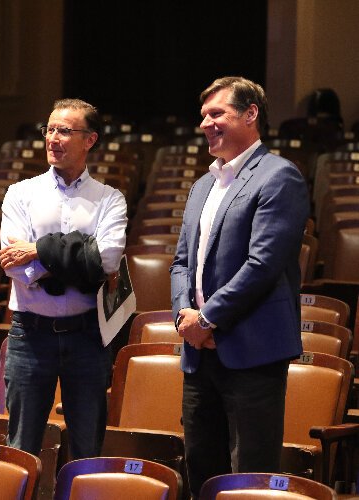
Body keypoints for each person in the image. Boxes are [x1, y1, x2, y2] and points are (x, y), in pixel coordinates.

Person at [170, 76, 310, 497]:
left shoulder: (279, 176)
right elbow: (181, 263)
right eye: (203, 116)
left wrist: (208, 318)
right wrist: (184, 318)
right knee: (202, 470)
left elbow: (262, 265)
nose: (205, 124)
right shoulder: (203, 185)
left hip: (252, 353)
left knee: (249, 478)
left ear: (251, 114)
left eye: (217, 114)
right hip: (199, 354)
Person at [0, 98, 128, 459]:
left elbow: (105, 260)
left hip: (87, 335)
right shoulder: (21, 194)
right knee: (21, 449)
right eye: (50, 129)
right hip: (30, 335)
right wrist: (76, 264)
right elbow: (14, 266)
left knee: (87, 448)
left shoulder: (109, 199)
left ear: (89, 140)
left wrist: (39, 251)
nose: (53, 138)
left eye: (65, 131)